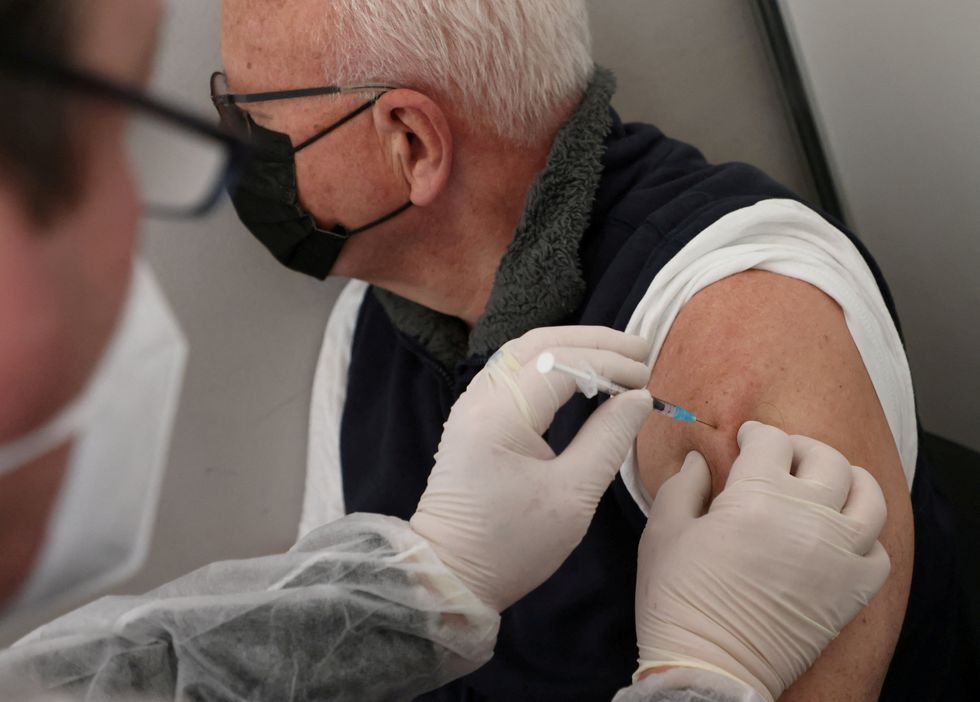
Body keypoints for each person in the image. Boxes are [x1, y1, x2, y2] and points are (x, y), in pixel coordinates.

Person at [0, 1, 893, 700]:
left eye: (249, 113)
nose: (231, 143)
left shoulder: (741, 309)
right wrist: (706, 672)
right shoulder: (369, 331)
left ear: (411, 140)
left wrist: (428, 584)